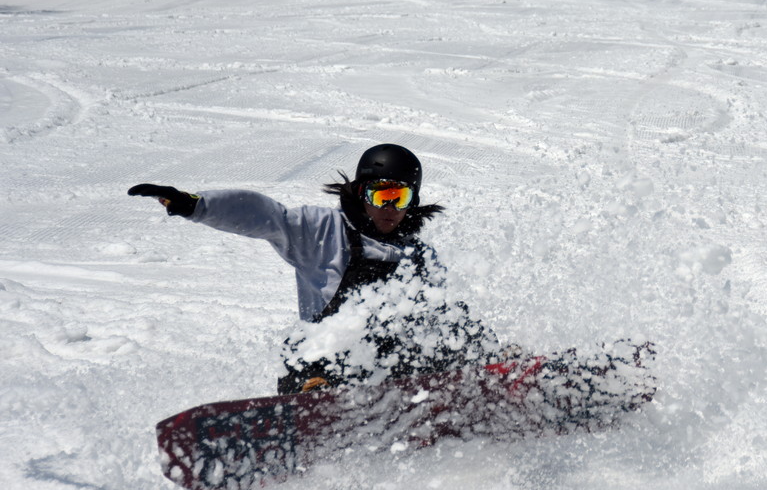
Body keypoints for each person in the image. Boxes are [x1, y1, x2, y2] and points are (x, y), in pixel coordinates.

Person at [129, 143, 501, 394]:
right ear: (360, 193)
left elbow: (439, 318)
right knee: (311, 344)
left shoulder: (418, 254)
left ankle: (498, 376)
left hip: (393, 374)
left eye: (399, 196)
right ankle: (315, 400)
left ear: (412, 201)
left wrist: (478, 351)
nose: (389, 207)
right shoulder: (324, 231)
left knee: (448, 322)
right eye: (380, 194)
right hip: (327, 369)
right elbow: (264, 215)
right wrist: (197, 206)